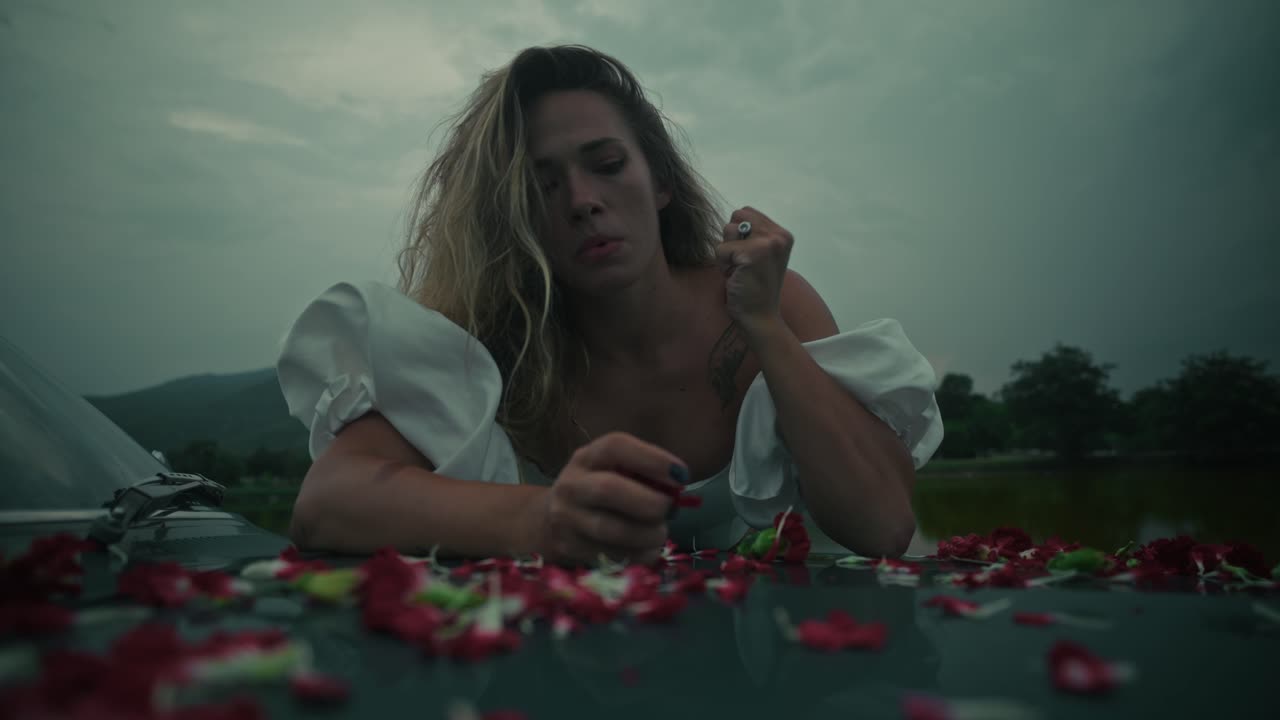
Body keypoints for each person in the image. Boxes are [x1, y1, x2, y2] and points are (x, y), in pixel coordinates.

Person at [276, 45, 943, 566]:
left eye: (607, 163)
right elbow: (327, 503)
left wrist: (765, 327)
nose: (582, 200)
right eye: (542, 185)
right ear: (514, 223)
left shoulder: (766, 302)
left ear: (658, 182)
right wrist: (543, 521)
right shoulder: (487, 348)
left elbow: (883, 526)